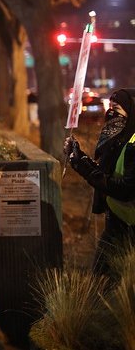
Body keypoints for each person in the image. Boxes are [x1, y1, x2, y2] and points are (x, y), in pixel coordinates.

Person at [64, 88, 135, 276]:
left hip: (129, 226)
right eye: (110, 106)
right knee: (101, 280)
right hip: (118, 222)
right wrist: (79, 159)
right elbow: (103, 172)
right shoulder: (120, 141)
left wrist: (85, 168)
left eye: (117, 108)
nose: (110, 112)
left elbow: (125, 189)